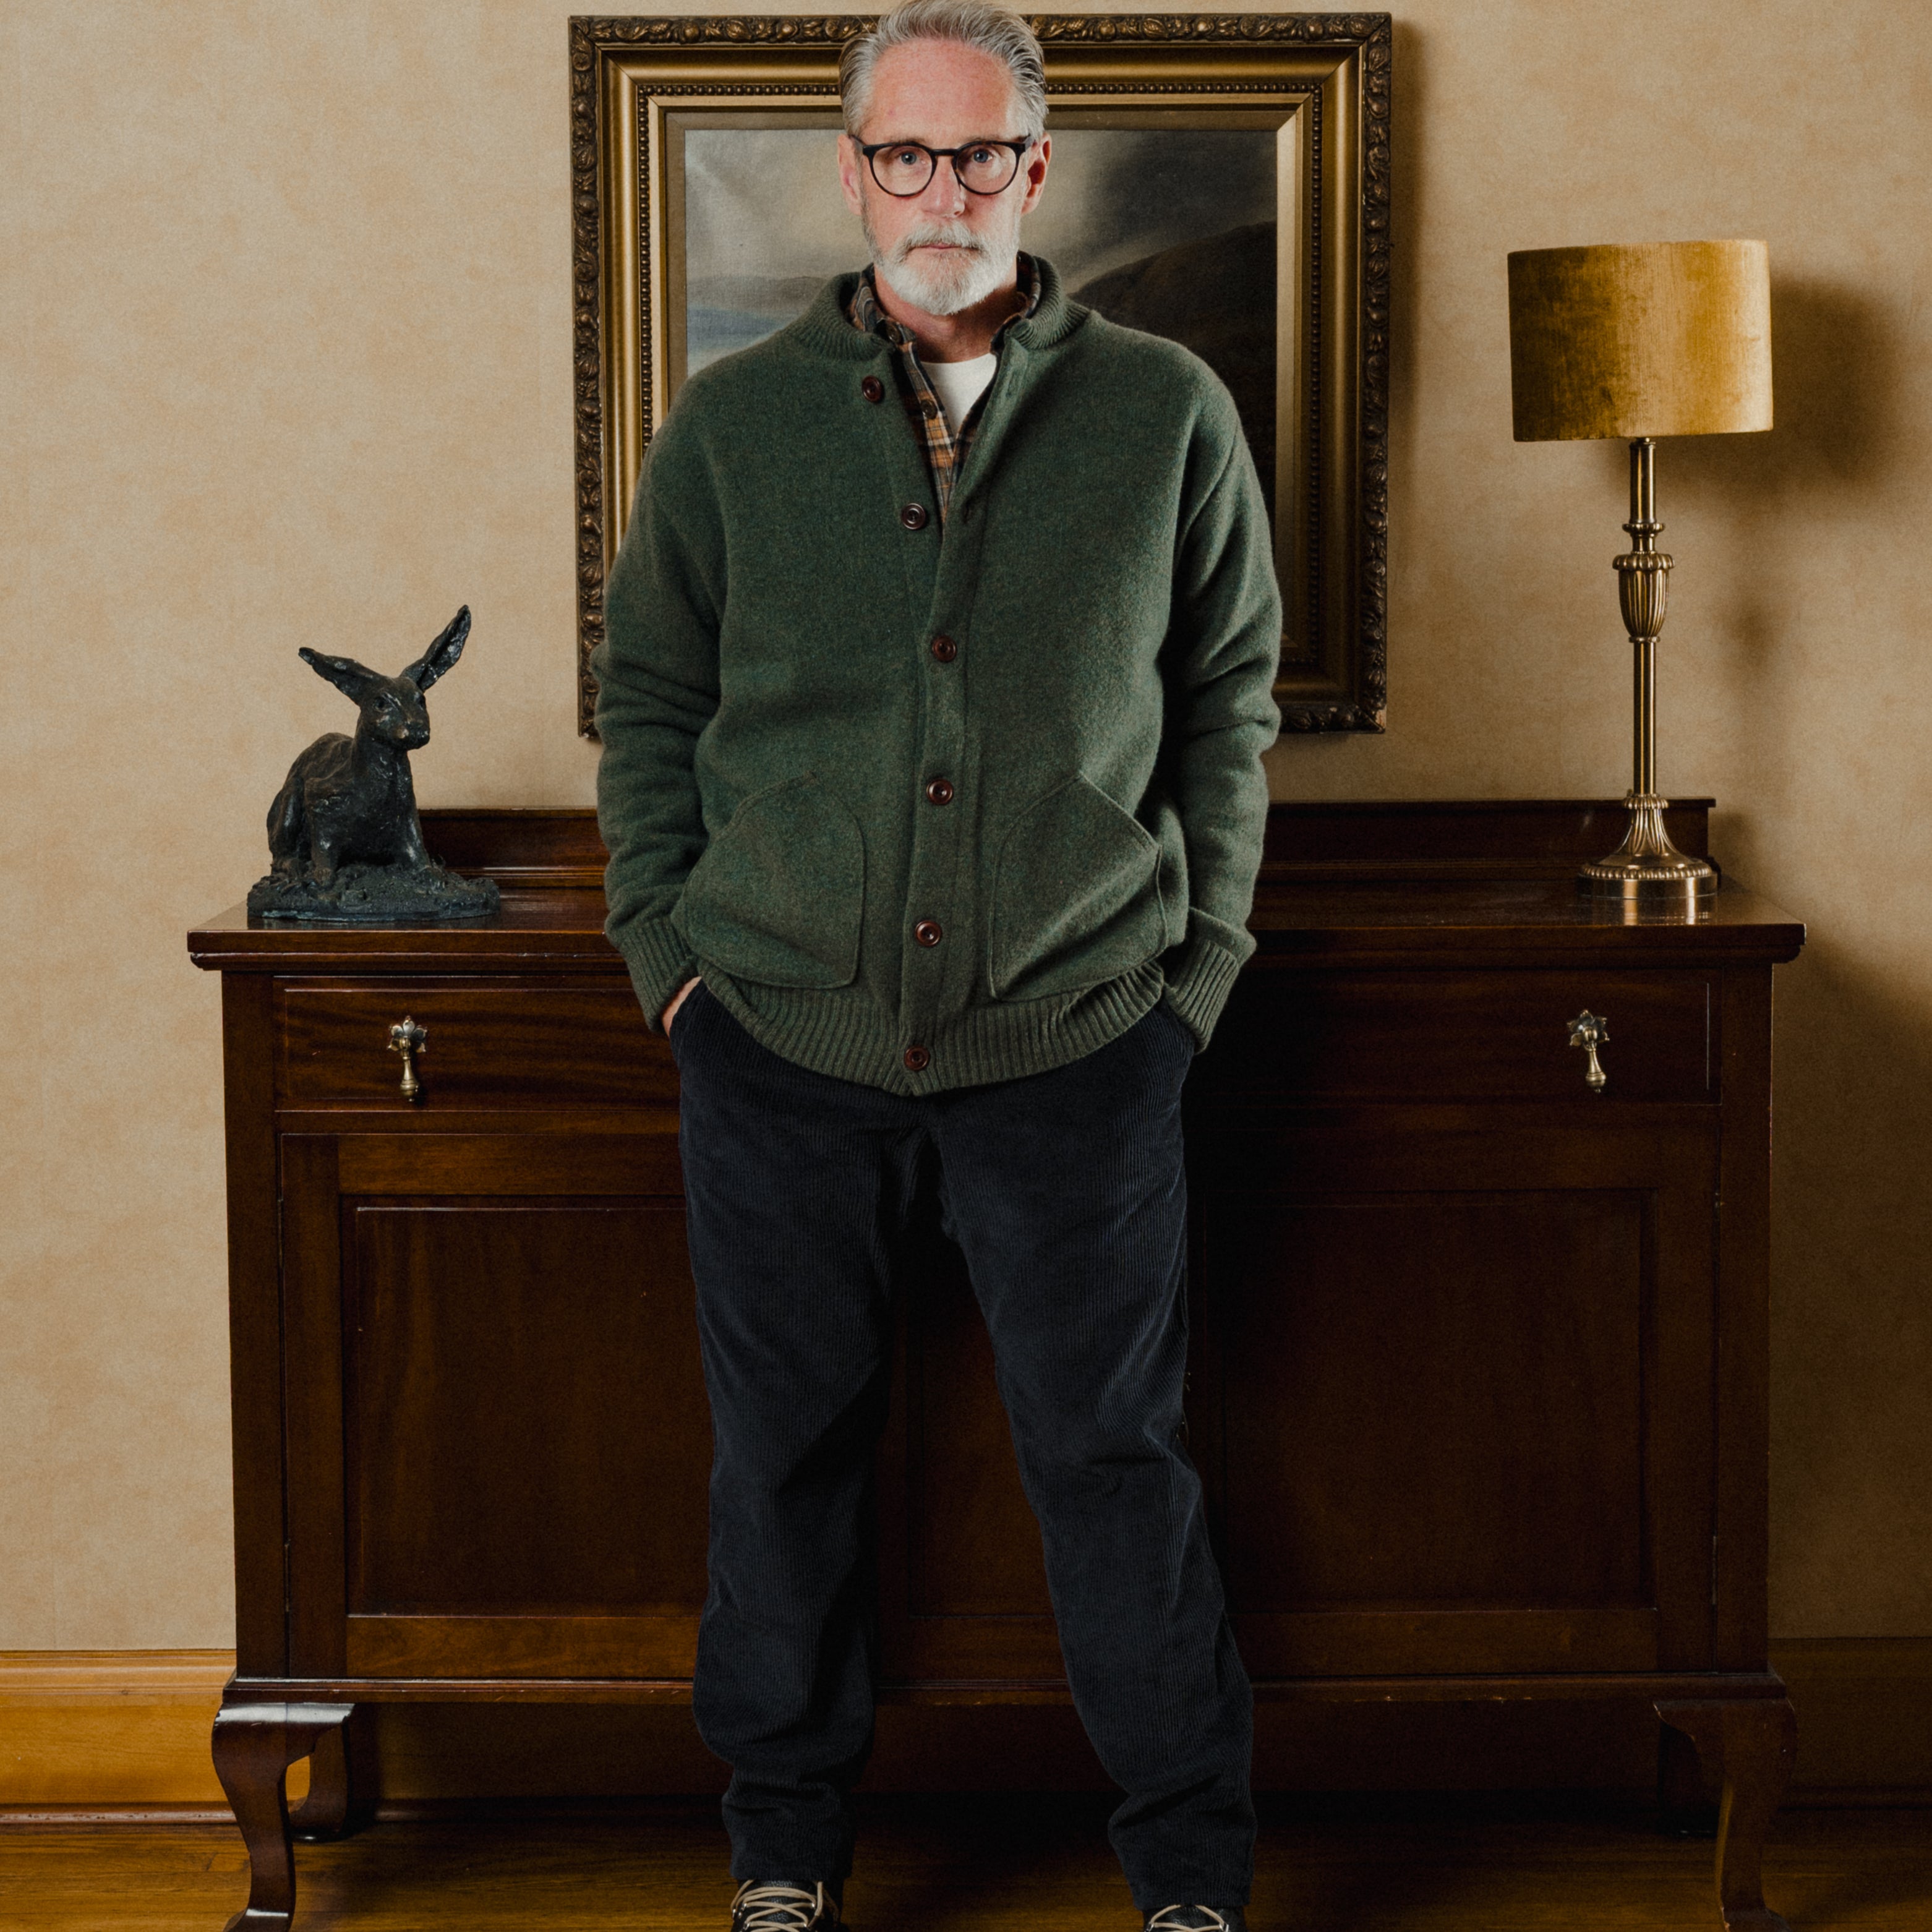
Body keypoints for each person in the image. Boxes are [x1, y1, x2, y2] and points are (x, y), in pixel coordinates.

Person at [591, 3, 1282, 1927]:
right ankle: (783, 1852)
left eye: (979, 154)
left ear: (1034, 170)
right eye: (905, 153)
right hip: (773, 1036)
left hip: (1081, 1036)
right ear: (853, 172)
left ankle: (1188, 1869)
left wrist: (1192, 982)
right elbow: (646, 704)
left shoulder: (1165, 411)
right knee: (781, 1461)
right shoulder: (731, 426)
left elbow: (1226, 705)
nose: (942, 190)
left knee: (1114, 1458)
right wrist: (667, 956)